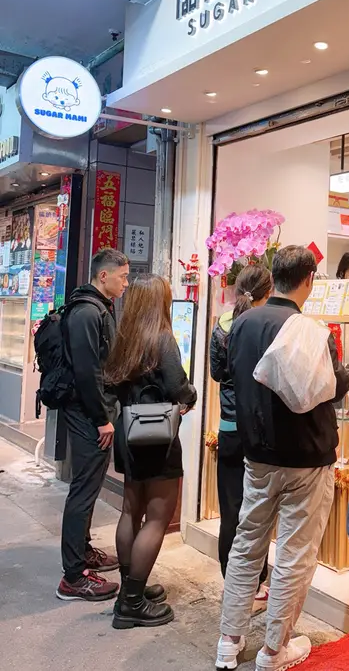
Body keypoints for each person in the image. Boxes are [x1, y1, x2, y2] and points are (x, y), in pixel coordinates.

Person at [216, 245, 349, 671]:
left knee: (246, 543)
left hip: (256, 455)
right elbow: (336, 385)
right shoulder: (311, 330)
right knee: (294, 553)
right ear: (309, 279)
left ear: (273, 277)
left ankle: (228, 641)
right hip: (307, 457)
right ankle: (274, 650)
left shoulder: (242, 323)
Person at [105, 274, 197, 629]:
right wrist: (189, 396)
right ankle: (131, 603)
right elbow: (177, 386)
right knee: (157, 517)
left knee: (131, 510)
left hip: (128, 431)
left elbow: (111, 383)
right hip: (157, 435)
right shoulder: (162, 337)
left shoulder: (124, 336)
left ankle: (129, 589)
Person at [56, 248, 129, 602]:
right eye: (122, 277)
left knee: (88, 487)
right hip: (88, 414)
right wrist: (102, 419)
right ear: (104, 276)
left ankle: (83, 553)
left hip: (90, 411)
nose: (126, 283)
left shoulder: (96, 307)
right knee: (83, 491)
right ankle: (73, 577)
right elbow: (87, 372)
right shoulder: (87, 312)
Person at [210, 265, 273, 601]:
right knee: (257, 511)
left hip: (229, 428)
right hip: (258, 430)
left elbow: (217, 373)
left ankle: (231, 581)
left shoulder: (222, 323)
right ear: (268, 292)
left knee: (231, 509)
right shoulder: (266, 326)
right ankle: (257, 582)